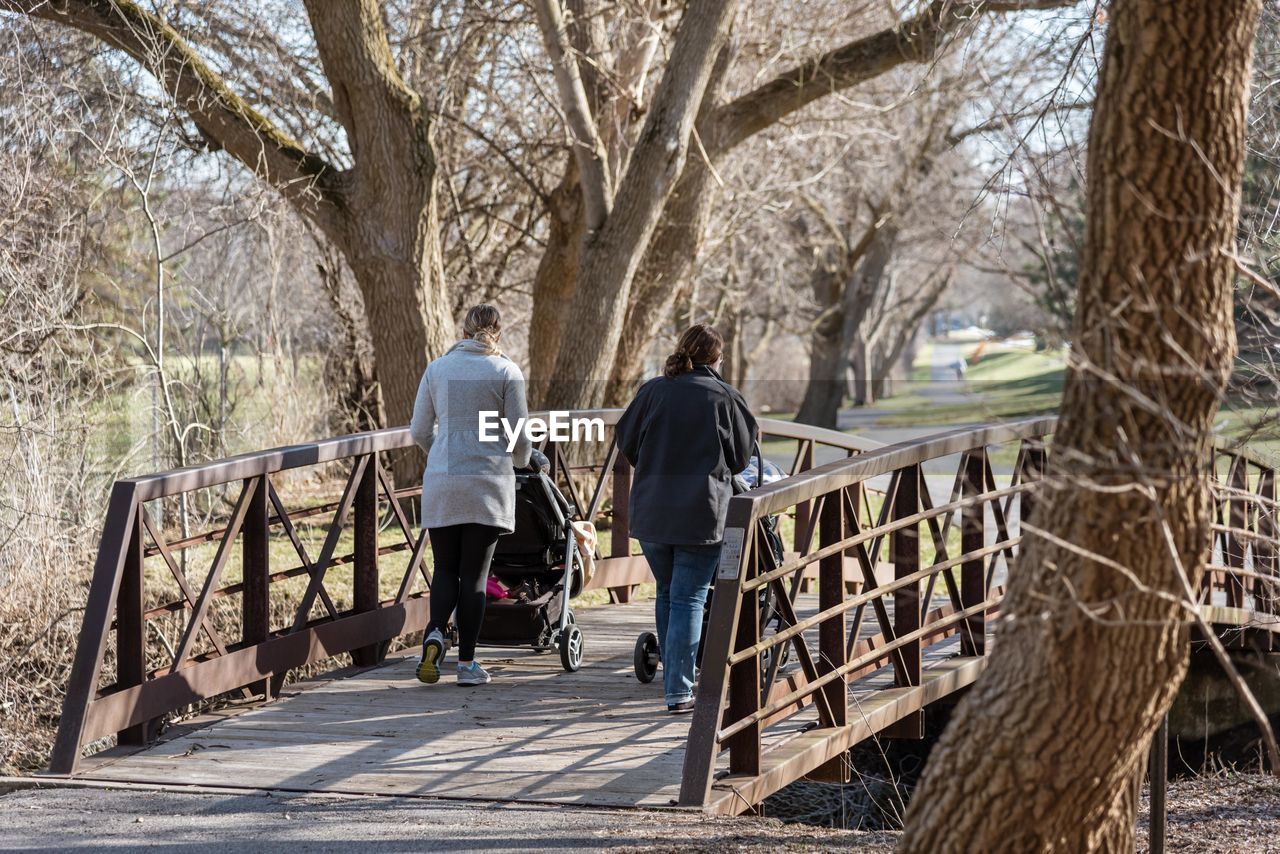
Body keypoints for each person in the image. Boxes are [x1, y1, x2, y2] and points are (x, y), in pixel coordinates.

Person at [615, 324, 757, 714]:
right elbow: (742, 458)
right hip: (702, 512)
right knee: (689, 597)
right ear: (716, 359)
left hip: (653, 511)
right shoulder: (724, 397)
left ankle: (671, 678)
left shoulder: (652, 391)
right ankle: (678, 690)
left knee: (667, 592)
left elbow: (626, 442)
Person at [410, 304, 533, 687]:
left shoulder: (437, 368)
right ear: (498, 332)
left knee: (445, 568)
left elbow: (418, 430)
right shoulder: (506, 372)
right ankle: (466, 665)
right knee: (475, 577)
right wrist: (521, 459)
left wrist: (444, 452)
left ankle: (434, 632)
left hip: (443, 480)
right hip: (486, 484)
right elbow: (519, 438)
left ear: (464, 331)